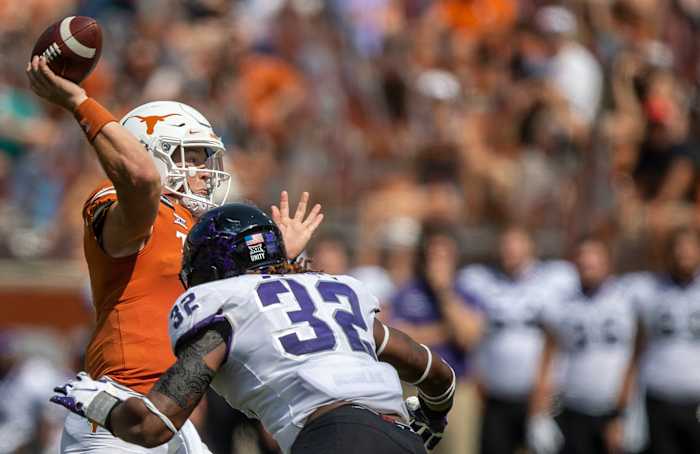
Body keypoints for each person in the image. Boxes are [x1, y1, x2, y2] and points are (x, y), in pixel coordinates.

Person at [25, 55, 323, 453]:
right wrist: (80, 101)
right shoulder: (127, 205)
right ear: (148, 151)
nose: (204, 171)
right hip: (119, 411)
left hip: (168, 417)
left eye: (205, 158)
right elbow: (141, 179)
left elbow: (241, 308)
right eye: (191, 157)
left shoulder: (198, 232)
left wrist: (277, 258)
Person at [50, 203, 456, 454]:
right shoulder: (337, 293)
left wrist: (99, 403)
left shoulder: (226, 308)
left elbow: (152, 426)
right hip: (402, 440)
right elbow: (439, 376)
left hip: (331, 437)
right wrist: (432, 420)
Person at [457, 226, 578, 454]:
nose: (510, 251)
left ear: (531, 246)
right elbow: (473, 335)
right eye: (506, 245)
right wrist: (478, 378)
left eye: (516, 244)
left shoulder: (553, 280)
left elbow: (555, 339)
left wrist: (543, 392)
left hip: (537, 398)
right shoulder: (480, 280)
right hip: (494, 397)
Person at [528, 237, 637, 454]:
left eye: (594, 257)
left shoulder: (629, 299)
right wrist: (537, 414)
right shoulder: (562, 304)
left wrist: (624, 413)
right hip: (572, 410)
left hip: (612, 411)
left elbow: (637, 357)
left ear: (608, 261)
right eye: (582, 258)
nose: (587, 263)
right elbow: (548, 357)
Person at [608, 227, 700, 454]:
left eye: (690, 248)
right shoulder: (648, 289)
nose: (683, 254)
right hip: (659, 398)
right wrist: (622, 409)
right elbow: (637, 348)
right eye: (678, 249)